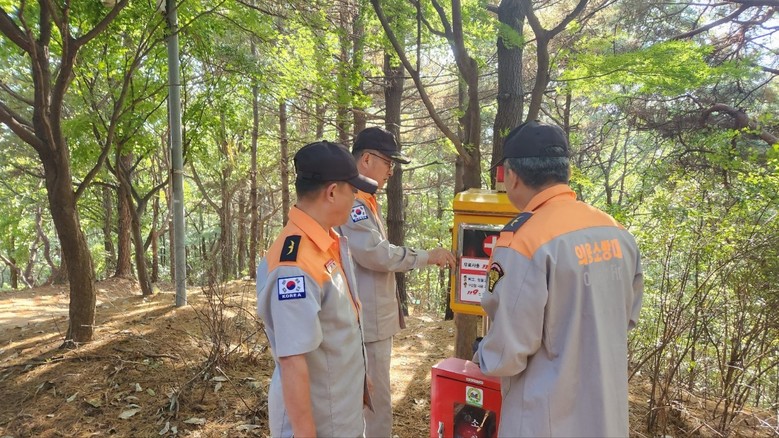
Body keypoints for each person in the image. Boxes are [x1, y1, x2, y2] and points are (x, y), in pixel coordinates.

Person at [472, 121, 643, 437]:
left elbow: (508, 351)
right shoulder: (615, 232)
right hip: (606, 417)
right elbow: (625, 319)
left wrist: (482, 352)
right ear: (566, 171)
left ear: (512, 176)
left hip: (544, 420)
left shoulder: (522, 240)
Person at [337, 126, 456, 437]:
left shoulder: (364, 200)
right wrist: (426, 256)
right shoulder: (353, 203)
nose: (391, 171)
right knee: (375, 403)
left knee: (371, 398)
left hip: (371, 316)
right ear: (366, 159)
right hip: (367, 320)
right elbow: (376, 255)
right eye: (388, 162)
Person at [256, 140, 378, 438]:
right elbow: (293, 359)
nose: (356, 199)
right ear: (333, 192)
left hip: (340, 408)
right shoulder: (294, 264)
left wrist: (359, 377)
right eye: (353, 190)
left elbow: (338, 325)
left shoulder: (327, 241)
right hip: (321, 422)